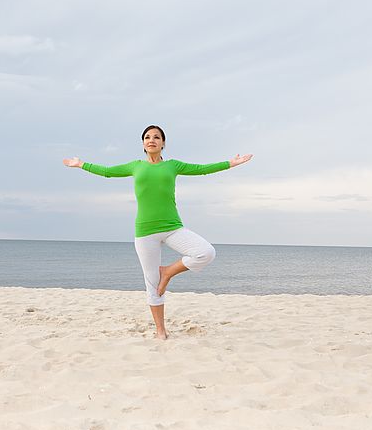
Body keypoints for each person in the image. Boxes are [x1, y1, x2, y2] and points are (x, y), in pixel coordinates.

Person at [63, 125, 253, 340]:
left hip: (172, 227)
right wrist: (80, 164)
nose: (151, 139)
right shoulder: (135, 166)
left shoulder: (173, 165)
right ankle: (160, 330)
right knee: (152, 285)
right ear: (143, 144)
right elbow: (107, 172)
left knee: (205, 253)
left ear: (163, 143)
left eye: (156, 137)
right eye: (147, 137)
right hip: (145, 232)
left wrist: (230, 163)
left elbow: (202, 169)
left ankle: (168, 272)